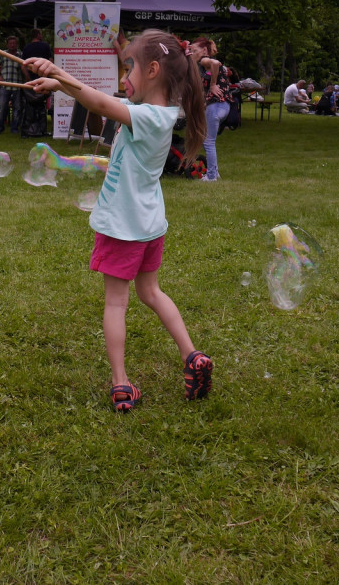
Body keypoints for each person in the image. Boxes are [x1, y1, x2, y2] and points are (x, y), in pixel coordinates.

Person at [26, 29, 214, 412]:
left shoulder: (146, 117)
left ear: (154, 71)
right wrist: (58, 82)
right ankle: (192, 355)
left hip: (124, 228)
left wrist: (59, 73)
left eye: (130, 68)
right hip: (149, 226)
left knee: (116, 304)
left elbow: (98, 103)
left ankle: (121, 384)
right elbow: (103, 100)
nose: (124, 78)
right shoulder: (162, 115)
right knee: (151, 293)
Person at [189, 36, 233, 181]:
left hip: (217, 105)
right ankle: (215, 172)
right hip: (223, 105)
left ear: (204, 50)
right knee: (209, 140)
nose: (192, 53)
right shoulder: (202, 67)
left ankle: (212, 176)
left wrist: (213, 84)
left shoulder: (204, 60)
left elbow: (215, 63)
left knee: (208, 141)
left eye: (194, 50)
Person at [0, 36, 24, 135]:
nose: (12, 45)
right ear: (7, 44)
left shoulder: (21, 55)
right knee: (2, 107)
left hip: (17, 85)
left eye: (14, 43)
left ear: (17, 44)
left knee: (17, 107)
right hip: (5, 85)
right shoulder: (3, 54)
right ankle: (0, 127)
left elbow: (24, 69)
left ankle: (14, 128)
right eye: (10, 43)